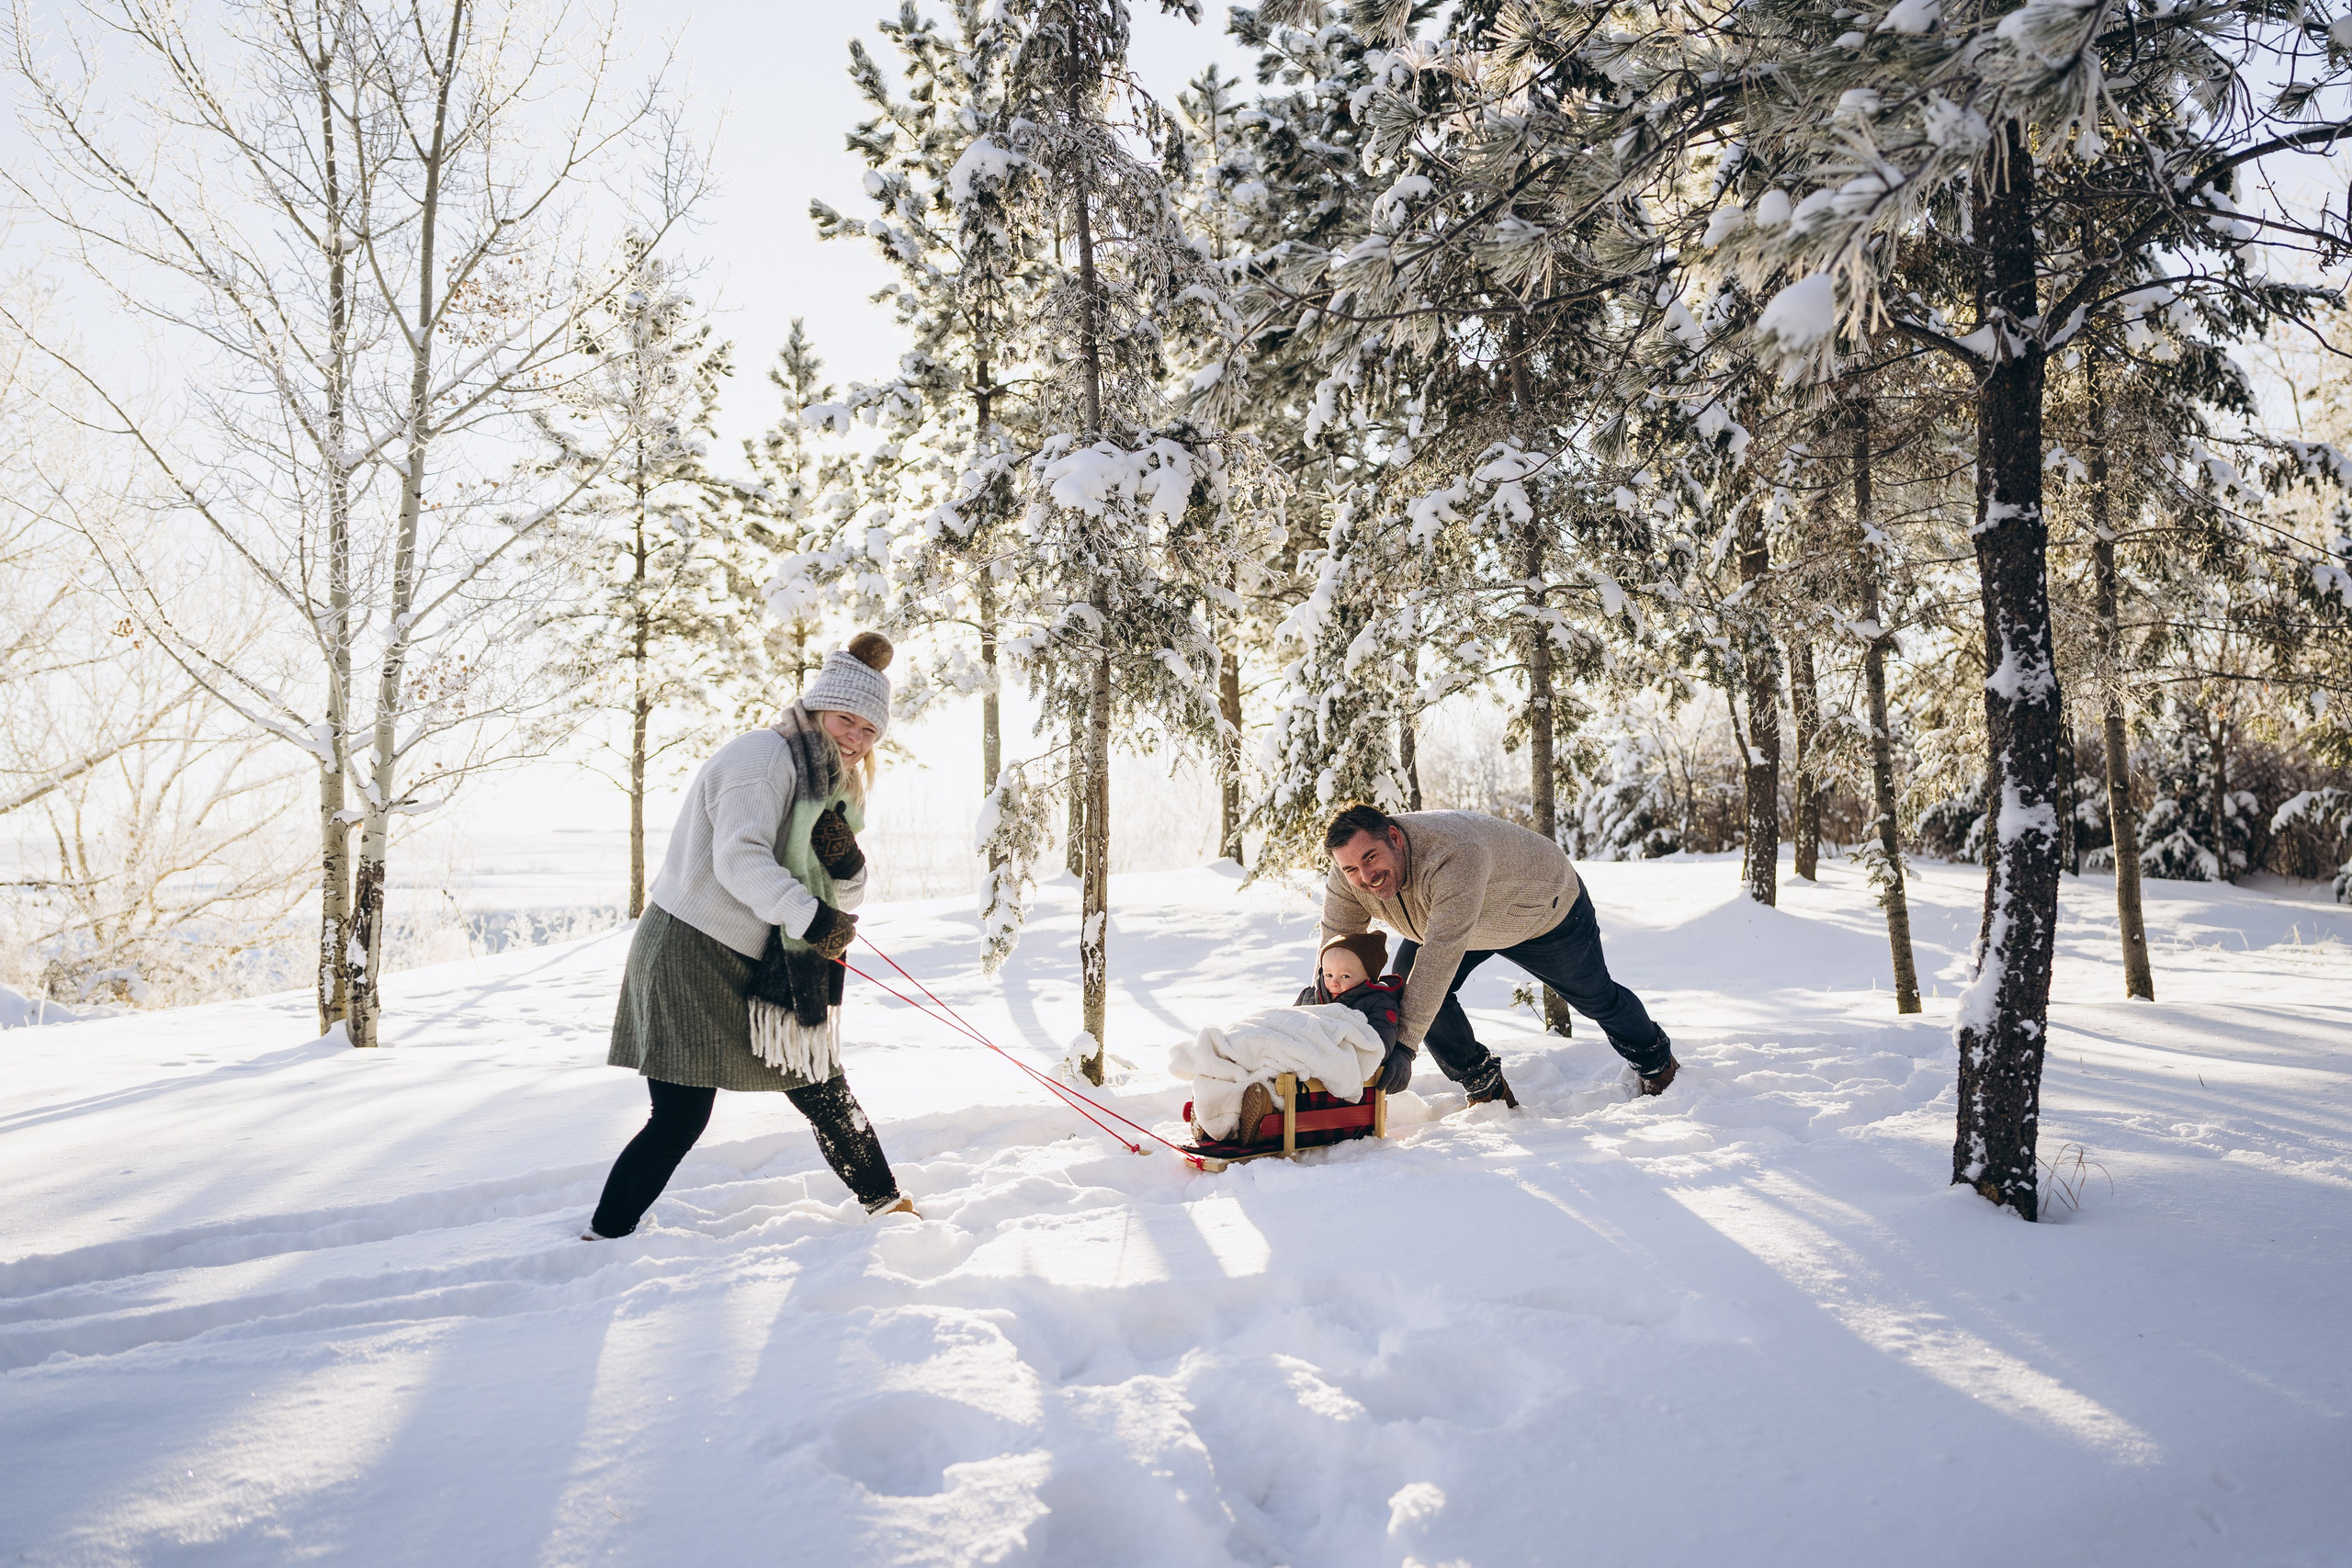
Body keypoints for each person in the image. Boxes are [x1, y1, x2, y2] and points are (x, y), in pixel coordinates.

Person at [583, 631, 916, 1239]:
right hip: (690, 949)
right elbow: (740, 859)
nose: (856, 738)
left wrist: (846, 872)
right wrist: (813, 919)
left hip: (763, 960)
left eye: (870, 731)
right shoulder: (763, 756)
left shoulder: (823, 788)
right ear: (819, 707)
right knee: (680, 1116)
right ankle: (605, 1235)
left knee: (819, 1082)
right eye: (847, 719)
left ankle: (889, 1207)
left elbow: (842, 893)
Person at [1321, 802, 1678, 1109]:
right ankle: (1483, 1086)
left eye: (1371, 857)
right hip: (1456, 918)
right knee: (1409, 983)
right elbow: (1336, 953)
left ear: (1394, 838)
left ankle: (1656, 1063)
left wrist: (1403, 1046)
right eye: (1352, 868)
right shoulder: (1347, 873)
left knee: (1596, 997)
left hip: (1541, 913)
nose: (1366, 876)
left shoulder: (1451, 854)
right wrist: (1319, 1024)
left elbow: (1440, 956)